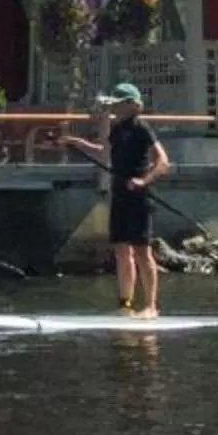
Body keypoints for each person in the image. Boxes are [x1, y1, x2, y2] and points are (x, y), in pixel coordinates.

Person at [65, 82, 170, 316]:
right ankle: (126, 306)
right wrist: (77, 143)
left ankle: (151, 306)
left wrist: (144, 181)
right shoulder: (118, 128)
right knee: (122, 251)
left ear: (133, 105)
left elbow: (163, 162)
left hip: (139, 197)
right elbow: (104, 150)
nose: (115, 108)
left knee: (142, 251)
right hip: (120, 195)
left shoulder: (142, 128)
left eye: (119, 104)